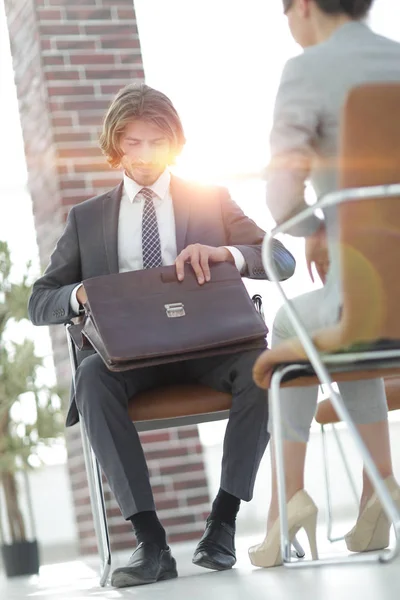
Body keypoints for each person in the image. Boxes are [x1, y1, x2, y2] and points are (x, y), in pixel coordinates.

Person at [28, 83, 295, 587]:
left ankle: (223, 522)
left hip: (211, 348)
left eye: (157, 142)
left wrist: (228, 256)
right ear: (116, 145)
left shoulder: (210, 198)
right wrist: (79, 293)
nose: (146, 155)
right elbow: (41, 299)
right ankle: (150, 544)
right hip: (130, 358)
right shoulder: (87, 219)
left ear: (173, 143)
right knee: (90, 379)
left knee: (262, 367)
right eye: (133, 143)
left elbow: (281, 258)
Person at [249, 0, 400, 568]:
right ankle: (378, 494)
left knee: (295, 323)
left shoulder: (306, 70)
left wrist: (320, 227)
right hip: (388, 302)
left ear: (304, 6)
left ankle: (288, 502)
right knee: (346, 330)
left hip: (364, 299)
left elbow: (282, 199)